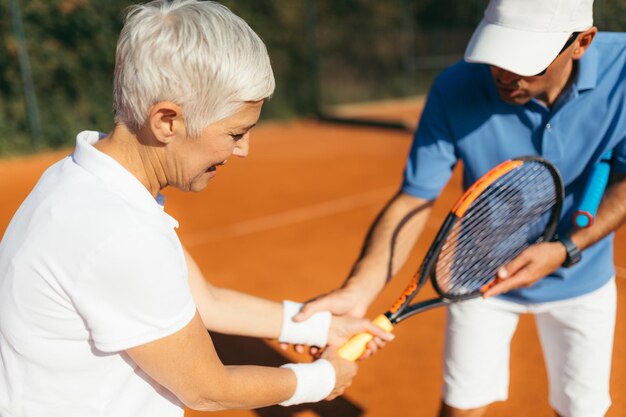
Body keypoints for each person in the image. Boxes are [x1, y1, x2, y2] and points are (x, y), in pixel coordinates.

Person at [0, 1, 393, 416]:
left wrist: (323, 326)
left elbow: (206, 302)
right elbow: (207, 388)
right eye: (235, 132)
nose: (243, 150)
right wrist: (324, 379)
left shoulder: (85, 180)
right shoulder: (117, 232)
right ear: (167, 120)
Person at [294, 0, 626, 416]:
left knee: (583, 410)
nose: (503, 74)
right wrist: (360, 288)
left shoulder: (625, 71)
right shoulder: (455, 88)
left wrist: (567, 248)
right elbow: (414, 198)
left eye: (525, 62)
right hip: (477, 272)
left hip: (582, 277)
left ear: (582, 43)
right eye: (497, 55)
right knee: (461, 407)